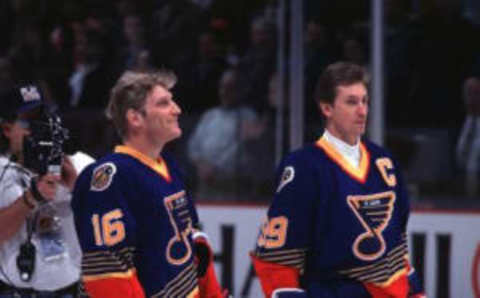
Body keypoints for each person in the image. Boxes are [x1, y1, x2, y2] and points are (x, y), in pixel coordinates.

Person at [251, 62, 425, 298]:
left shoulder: (385, 162)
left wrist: (414, 292)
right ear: (327, 108)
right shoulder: (304, 167)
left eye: (365, 101)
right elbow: (277, 257)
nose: (362, 111)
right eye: (352, 102)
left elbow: (396, 245)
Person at [71, 70, 226, 298]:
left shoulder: (169, 166)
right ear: (135, 118)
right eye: (164, 103)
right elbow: (108, 271)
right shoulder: (112, 177)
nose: (177, 109)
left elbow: (194, 243)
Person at [0, 84, 92, 297]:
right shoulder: (2, 173)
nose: (38, 126)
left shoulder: (79, 163)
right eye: (28, 121)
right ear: (7, 129)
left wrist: (79, 190)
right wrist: (30, 199)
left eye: (42, 116)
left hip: (76, 290)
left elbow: (109, 226)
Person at [455, 75, 480, 197]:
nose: (469, 98)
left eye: (474, 93)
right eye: (467, 93)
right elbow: (461, 155)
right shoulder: (464, 120)